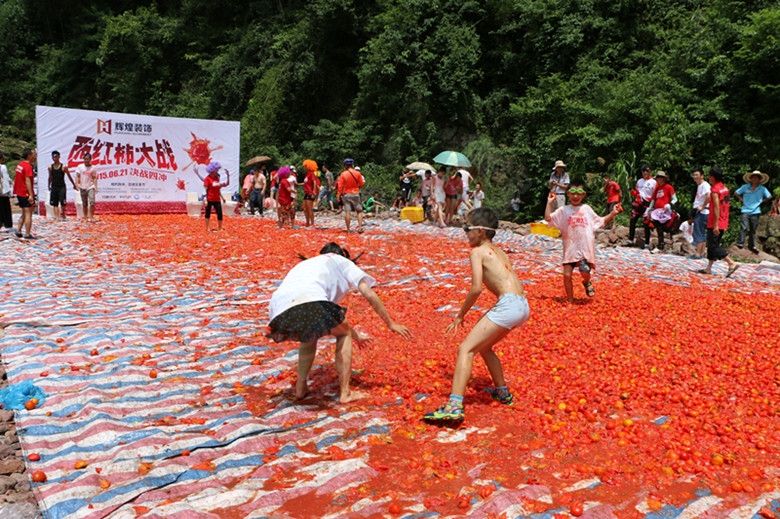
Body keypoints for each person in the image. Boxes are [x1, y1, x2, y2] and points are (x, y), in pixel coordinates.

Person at [267, 242, 412, 403]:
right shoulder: (342, 261)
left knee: (309, 335)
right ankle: (345, 393)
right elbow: (368, 293)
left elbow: (330, 319)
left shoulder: (307, 264)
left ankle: (300, 387)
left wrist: (356, 335)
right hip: (311, 302)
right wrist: (390, 323)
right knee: (343, 334)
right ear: (342, 255)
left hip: (278, 309)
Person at [423, 207, 529, 422]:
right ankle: (503, 393)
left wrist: (460, 315)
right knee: (485, 347)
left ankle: (454, 406)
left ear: (480, 231)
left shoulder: (477, 252)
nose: (465, 234)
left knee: (465, 349)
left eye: (467, 228)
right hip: (522, 305)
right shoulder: (498, 250)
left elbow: (476, 288)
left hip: (508, 304)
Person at [545, 178, 622, 302]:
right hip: (570, 248)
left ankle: (586, 282)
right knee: (566, 275)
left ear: (584, 195)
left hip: (584, 248)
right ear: (568, 194)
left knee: (585, 270)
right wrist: (549, 203)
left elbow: (600, 221)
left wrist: (612, 213)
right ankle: (570, 299)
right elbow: (548, 218)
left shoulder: (586, 209)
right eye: (572, 193)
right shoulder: (564, 210)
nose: (575, 196)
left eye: (579, 193)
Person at [698, 166, 740, 278]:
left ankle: (731, 262)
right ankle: (708, 268)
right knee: (712, 244)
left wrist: (715, 224)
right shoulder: (725, 188)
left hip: (715, 221)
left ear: (712, 177)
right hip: (723, 219)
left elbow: (717, 207)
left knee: (713, 244)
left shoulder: (715, 190)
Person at [735, 170, 771, 253]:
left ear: (759, 179)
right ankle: (740, 242)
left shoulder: (762, 188)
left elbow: (769, 196)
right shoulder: (745, 187)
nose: (755, 179)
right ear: (751, 179)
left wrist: (762, 201)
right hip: (745, 209)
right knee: (744, 227)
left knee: (753, 229)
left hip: (756, 210)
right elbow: (736, 193)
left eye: (757, 178)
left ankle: (751, 245)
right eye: (753, 177)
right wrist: (742, 200)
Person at [622, 165, 656, 248]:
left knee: (646, 224)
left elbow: (654, 196)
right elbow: (637, 192)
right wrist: (631, 191)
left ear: (650, 171)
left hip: (647, 205)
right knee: (632, 221)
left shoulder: (653, 182)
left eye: (647, 170)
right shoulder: (639, 181)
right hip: (638, 204)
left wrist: (652, 207)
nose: (645, 172)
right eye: (643, 170)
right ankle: (630, 240)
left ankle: (647, 244)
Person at [646, 171, 676, 253]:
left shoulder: (668, 187)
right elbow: (653, 199)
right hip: (656, 212)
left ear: (663, 179)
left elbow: (675, 199)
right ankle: (660, 244)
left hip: (664, 211)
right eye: (657, 178)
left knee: (661, 227)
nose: (658, 179)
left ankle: (661, 245)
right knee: (655, 226)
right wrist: (649, 208)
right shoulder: (657, 188)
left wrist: (669, 205)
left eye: (660, 177)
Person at [13, 149, 38, 239]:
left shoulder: (20, 165)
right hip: (25, 193)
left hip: (19, 192)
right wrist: (31, 195)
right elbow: (27, 181)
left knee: (24, 212)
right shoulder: (28, 167)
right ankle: (27, 233)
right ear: (29, 156)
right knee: (28, 214)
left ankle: (18, 231)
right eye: (34, 154)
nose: (36, 156)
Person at [336, 158, 365, 233]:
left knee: (347, 212)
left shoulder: (343, 174)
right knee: (359, 211)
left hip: (346, 194)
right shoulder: (358, 173)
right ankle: (360, 227)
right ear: (352, 165)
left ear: (345, 165)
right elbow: (362, 184)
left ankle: (348, 230)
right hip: (355, 193)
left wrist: (338, 195)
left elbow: (340, 186)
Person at [48, 151, 76, 221]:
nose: (55, 158)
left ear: (59, 157)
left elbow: (69, 176)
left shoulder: (63, 167)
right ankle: (57, 217)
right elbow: (50, 177)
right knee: (55, 203)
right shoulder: (50, 167)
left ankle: (63, 213)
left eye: (56, 157)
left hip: (61, 186)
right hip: (54, 186)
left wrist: (74, 184)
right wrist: (48, 185)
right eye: (53, 157)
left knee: (62, 202)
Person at [689, 169, 711, 259]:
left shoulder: (705, 185)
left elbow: (708, 196)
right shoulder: (700, 186)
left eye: (696, 175)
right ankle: (701, 252)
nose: (695, 177)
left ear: (702, 175)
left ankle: (698, 253)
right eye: (694, 175)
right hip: (700, 211)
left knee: (699, 232)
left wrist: (702, 206)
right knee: (702, 232)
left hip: (703, 212)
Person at [203, 161, 228, 231]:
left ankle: (220, 227)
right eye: (216, 170)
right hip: (209, 199)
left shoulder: (217, 178)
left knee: (219, 213)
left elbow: (218, 189)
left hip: (217, 199)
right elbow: (204, 189)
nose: (217, 171)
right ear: (212, 170)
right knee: (207, 213)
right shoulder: (207, 179)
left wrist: (222, 197)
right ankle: (208, 228)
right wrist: (205, 199)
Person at [75, 152, 99, 223]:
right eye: (85, 159)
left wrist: (95, 186)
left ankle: (91, 217)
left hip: (90, 186)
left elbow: (94, 177)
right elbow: (77, 176)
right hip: (82, 186)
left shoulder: (93, 168)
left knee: (92, 202)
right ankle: (85, 217)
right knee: (84, 203)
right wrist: (77, 184)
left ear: (90, 159)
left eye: (88, 159)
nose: (86, 160)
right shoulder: (80, 167)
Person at [302, 159, 320, 226]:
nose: (304, 168)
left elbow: (314, 182)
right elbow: (305, 183)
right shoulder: (307, 175)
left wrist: (313, 192)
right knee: (304, 208)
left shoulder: (311, 174)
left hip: (310, 193)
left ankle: (312, 223)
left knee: (309, 209)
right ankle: (307, 222)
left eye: (305, 166)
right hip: (306, 193)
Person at [0, 152, 13, 232]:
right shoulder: (3, 167)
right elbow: (6, 179)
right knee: (5, 208)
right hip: (3, 192)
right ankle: (7, 223)